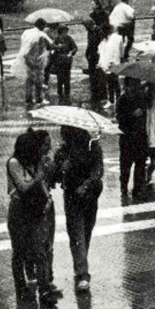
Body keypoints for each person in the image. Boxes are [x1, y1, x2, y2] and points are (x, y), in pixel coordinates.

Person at [7, 130, 62, 304]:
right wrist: (37, 179)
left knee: (40, 250)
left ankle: (44, 289)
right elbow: (22, 188)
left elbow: (46, 185)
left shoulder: (37, 163)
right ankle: (21, 287)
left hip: (36, 209)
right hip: (19, 210)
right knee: (19, 252)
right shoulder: (13, 163)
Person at [52, 125, 105, 293]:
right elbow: (55, 177)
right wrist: (62, 169)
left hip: (89, 195)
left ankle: (80, 264)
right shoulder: (62, 152)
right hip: (72, 196)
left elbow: (98, 169)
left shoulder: (92, 146)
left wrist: (86, 185)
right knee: (76, 234)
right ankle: (83, 273)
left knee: (86, 232)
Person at [116, 80, 149, 202]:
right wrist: (132, 114)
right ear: (127, 86)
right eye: (132, 86)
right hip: (127, 138)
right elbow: (119, 118)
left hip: (140, 137)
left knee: (140, 165)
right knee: (125, 166)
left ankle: (137, 189)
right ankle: (123, 188)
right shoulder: (122, 100)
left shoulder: (142, 98)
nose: (135, 88)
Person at [19, 19, 53, 109]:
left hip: (26, 57)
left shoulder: (26, 32)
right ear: (41, 26)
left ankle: (28, 98)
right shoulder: (41, 35)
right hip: (35, 57)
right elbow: (50, 45)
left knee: (29, 79)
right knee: (38, 79)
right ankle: (39, 99)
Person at [49, 25, 78, 105]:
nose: (65, 34)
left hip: (67, 61)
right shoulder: (56, 39)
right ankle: (60, 93)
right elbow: (52, 49)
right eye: (64, 32)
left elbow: (75, 47)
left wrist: (71, 52)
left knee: (67, 77)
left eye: (66, 32)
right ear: (60, 32)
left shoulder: (69, 38)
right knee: (60, 78)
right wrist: (57, 48)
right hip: (59, 62)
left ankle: (67, 93)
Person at [98, 25, 125, 109]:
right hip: (106, 63)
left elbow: (120, 51)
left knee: (114, 82)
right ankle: (112, 100)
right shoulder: (104, 40)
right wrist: (100, 62)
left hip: (113, 63)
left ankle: (117, 100)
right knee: (110, 82)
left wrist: (115, 60)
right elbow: (102, 52)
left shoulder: (117, 38)